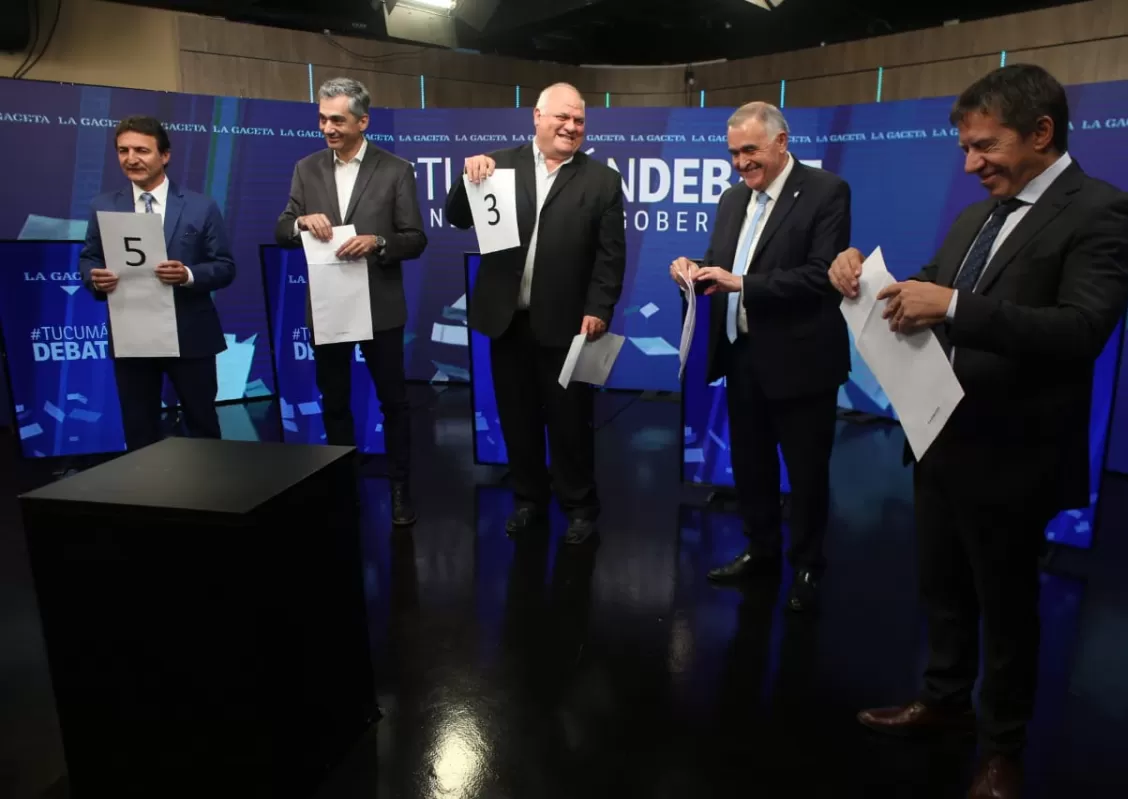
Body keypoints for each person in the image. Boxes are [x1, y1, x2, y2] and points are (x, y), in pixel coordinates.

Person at [829, 64, 1128, 799]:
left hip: (1017, 453)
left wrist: (956, 306)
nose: (971, 165)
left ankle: (1003, 749)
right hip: (941, 437)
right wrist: (862, 277)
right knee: (942, 587)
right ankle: (943, 703)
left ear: (1041, 133)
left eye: (984, 147)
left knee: (1006, 609)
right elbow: (926, 290)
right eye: (965, 150)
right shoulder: (976, 215)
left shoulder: (1105, 210)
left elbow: (1080, 330)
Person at [669, 101, 851, 613]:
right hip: (743, 355)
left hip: (803, 361)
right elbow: (724, 264)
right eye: (733, 153)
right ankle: (762, 552)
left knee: (807, 472)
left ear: (781, 142)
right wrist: (693, 268)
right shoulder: (732, 200)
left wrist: (741, 283)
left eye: (750, 150)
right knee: (751, 468)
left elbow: (821, 276)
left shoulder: (826, 192)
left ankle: (809, 565)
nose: (740, 163)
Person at [445, 82, 625, 544]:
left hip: (568, 326)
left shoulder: (601, 180)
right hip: (507, 320)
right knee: (518, 419)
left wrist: (600, 308)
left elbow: (610, 256)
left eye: (579, 121)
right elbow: (458, 217)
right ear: (537, 117)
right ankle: (529, 500)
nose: (571, 127)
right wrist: (466, 176)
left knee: (570, 423)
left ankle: (580, 506)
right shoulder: (497, 165)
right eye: (562, 117)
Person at [275, 77, 427, 527]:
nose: (328, 127)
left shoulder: (395, 169)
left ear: (363, 121)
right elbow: (282, 230)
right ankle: (344, 484)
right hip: (328, 307)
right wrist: (301, 221)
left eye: (337, 119)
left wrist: (378, 240)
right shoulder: (307, 168)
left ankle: (400, 488)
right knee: (334, 401)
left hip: (379, 305)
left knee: (393, 403)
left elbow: (415, 238)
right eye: (322, 118)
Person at [80, 115, 236, 451]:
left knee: (203, 425)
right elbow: (89, 257)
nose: (131, 158)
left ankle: (212, 497)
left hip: (191, 333)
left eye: (141, 150)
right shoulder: (103, 206)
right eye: (123, 151)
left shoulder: (201, 206)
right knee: (138, 429)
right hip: (132, 334)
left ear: (164, 155)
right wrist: (94, 278)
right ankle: (147, 499)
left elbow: (224, 267)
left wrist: (188, 275)